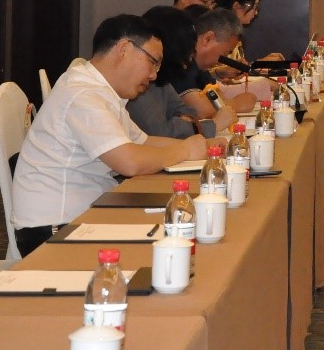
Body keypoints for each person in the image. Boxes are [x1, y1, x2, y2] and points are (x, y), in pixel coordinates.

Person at [11, 15, 210, 255]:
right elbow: (129, 162)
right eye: (153, 62)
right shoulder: (83, 94)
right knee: (172, 243)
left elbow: (144, 142)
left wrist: (204, 146)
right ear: (124, 50)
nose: (154, 75)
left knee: (175, 231)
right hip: (54, 229)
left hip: (82, 215)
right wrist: (185, 150)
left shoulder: (101, 90)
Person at [127, 6, 238, 139]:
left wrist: (181, 124)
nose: (187, 62)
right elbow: (161, 133)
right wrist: (212, 125)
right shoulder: (137, 82)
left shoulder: (162, 79)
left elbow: (188, 112)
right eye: (184, 52)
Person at [162, 7, 258, 116]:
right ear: (207, 39)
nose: (224, 59)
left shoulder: (200, 69)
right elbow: (197, 109)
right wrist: (236, 104)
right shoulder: (180, 62)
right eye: (225, 53)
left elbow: (217, 95)